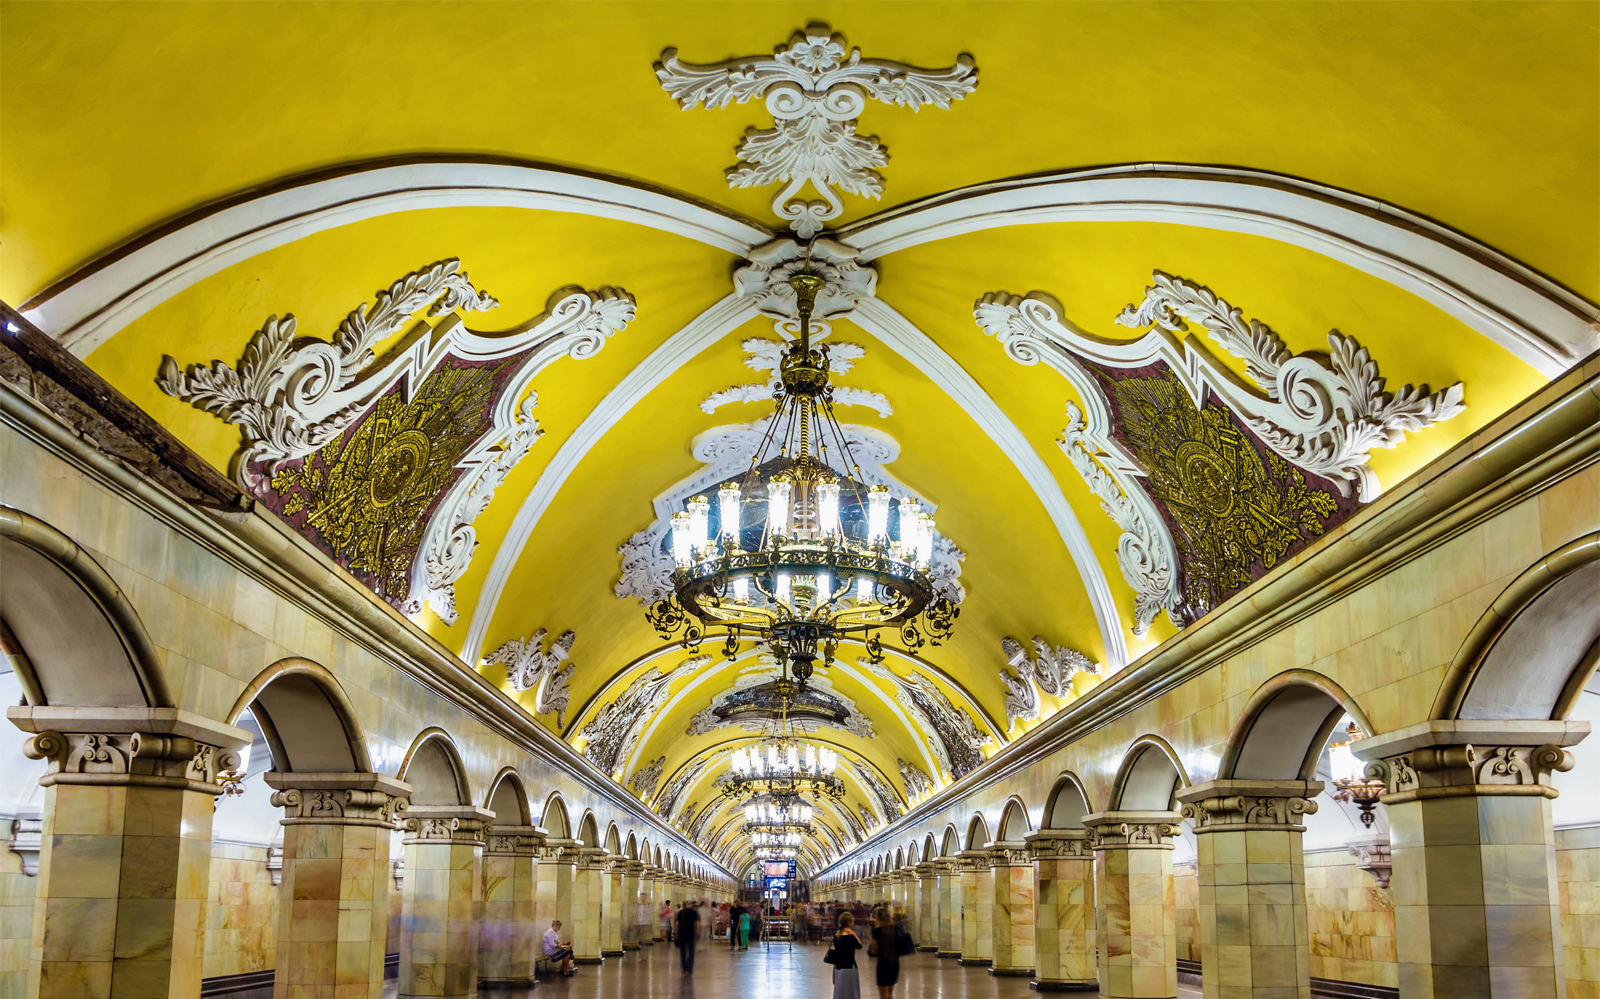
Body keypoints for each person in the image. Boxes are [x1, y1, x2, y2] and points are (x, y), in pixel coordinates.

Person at [828, 910, 864, 999]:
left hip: (839, 968)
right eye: (852, 922)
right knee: (851, 992)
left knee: (840, 992)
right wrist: (853, 934)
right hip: (850, 967)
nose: (853, 924)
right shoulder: (851, 937)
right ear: (848, 922)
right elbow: (860, 945)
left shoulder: (837, 936)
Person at [868, 906, 901, 998]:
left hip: (883, 963)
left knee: (883, 994)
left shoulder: (877, 931)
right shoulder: (896, 929)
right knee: (890, 993)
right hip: (894, 962)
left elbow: (873, 950)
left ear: (878, 918)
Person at [674, 900, 701, 975]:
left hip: (682, 933)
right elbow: (697, 923)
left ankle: (684, 968)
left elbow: (677, 923)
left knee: (683, 951)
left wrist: (676, 933)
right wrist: (698, 932)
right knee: (691, 951)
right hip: (691, 933)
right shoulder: (694, 912)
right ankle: (689, 968)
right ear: (691, 905)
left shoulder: (681, 912)